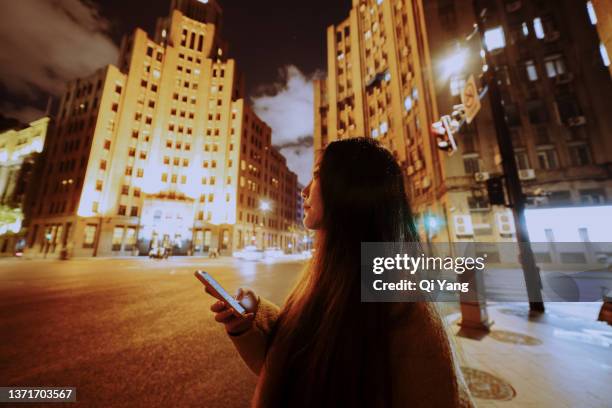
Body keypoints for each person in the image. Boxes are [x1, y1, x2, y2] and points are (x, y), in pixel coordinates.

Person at [207, 137, 474, 407]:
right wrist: (250, 321)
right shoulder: (325, 274)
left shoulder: (404, 307)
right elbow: (291, 368)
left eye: (317, 175)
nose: (304, 191)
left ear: (348, 189)